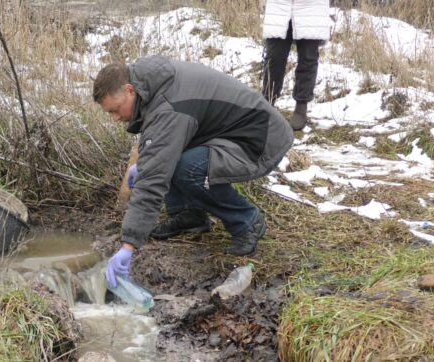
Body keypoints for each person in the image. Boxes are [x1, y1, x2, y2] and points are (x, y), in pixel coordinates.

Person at [92, 56, 294, 288]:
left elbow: (153, 180)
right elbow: (163, 144)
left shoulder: (167, 105)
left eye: (115, 110)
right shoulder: (150, 83)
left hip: (259, 140)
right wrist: (146, 163)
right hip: (228, 133)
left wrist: (128, 246)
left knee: (185, 168)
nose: (115, 118)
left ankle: (247, 221)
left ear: (129, 90)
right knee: (165, 161)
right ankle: (189, 216)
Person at [261, 0, 331, 130]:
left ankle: (301, 108)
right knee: (274, 58)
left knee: (307, 58)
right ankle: (267, 104)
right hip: (280, 6)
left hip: (311, 8)